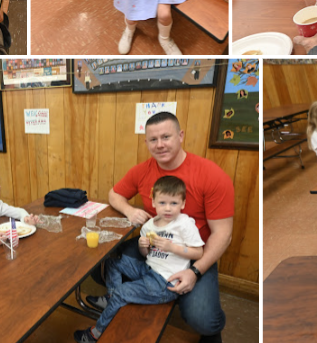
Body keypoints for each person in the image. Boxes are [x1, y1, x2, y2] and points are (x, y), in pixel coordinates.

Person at [89, 112, 233, 342]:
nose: (160, 144)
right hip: (155, 245)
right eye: (153, 139)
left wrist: (195, 271)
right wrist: (129, 210)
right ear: (146, 142)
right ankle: (125, 295)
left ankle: (173, 299)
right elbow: (114, 194)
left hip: (194, 253)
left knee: (204, 320)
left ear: (180, 136)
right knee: (100, 265)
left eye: (166, 136)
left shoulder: (211, 175)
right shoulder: (142, 170)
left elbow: (223, 234)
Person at [76, 176, 205, 343]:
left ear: (183, 204)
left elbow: (198, 253)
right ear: (153, 203)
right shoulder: (150, 225)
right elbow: (145, 254)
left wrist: (172, 247)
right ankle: (111, 300)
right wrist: (143, 246)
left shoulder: (185, 224)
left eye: (173, 203)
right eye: (162, 203)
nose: (167, 208)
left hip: (166, 283)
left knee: (122, 293)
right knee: (111, 264)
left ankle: (95, 333)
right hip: (148, 269)